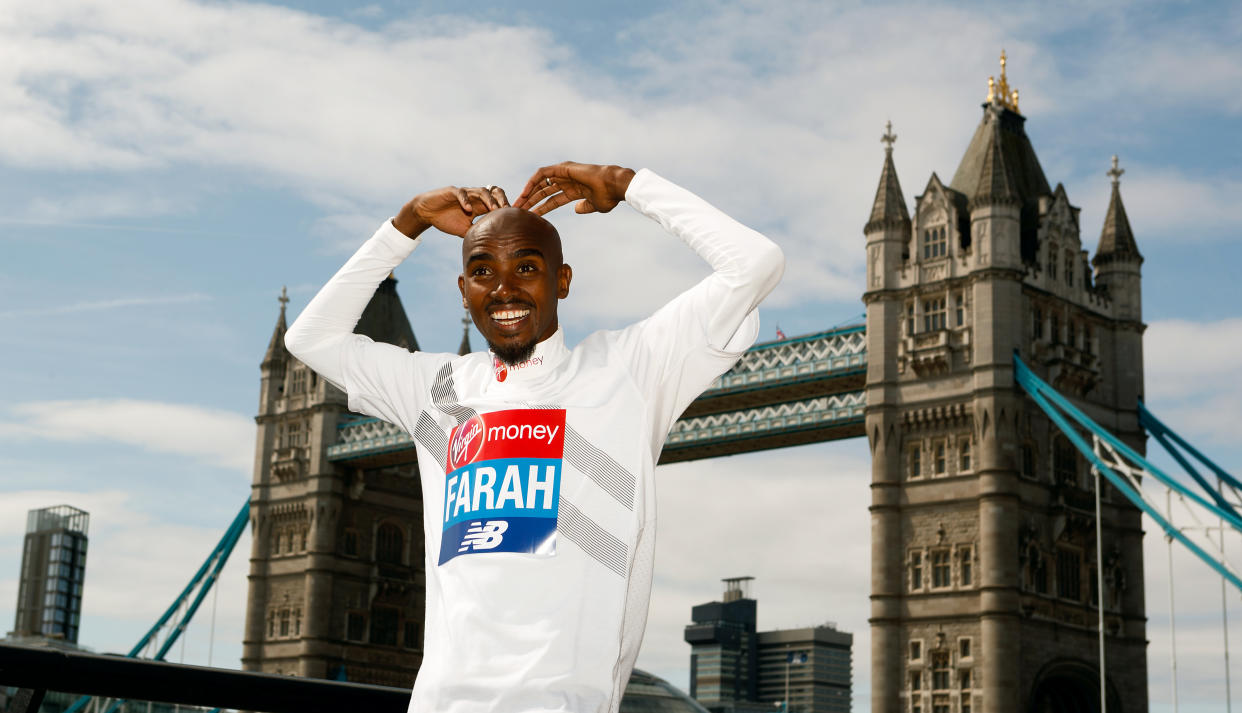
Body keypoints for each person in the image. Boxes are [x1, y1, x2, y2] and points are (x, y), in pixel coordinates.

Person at [285, 161, 784, 713]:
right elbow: (310, 337)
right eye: (482, 271)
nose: (503, 289)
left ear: (562, 280)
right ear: (463, 289)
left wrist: (626, 184)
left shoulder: (630, 372)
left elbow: (755, 264)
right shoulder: (438, 390)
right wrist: (409, 221)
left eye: (526, 267)